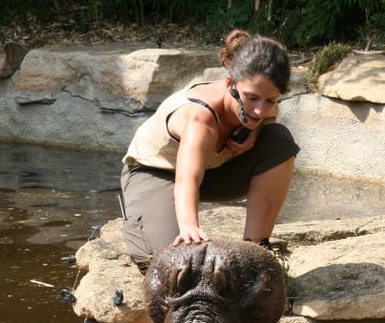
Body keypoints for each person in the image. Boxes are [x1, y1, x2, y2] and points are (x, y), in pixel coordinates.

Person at [119, 29, 299, 270]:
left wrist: (253, 132)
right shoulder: (199, 119)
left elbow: (265, 121)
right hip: (156, 173)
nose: (260, 110)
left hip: (212, 170)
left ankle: (257, 249)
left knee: (279, 141)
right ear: (230, 84)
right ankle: (143, 216)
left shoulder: (263, 99)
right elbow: (186, 180)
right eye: (251, 98)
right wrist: (189, 228)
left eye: (270, 101)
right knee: (174, 263)